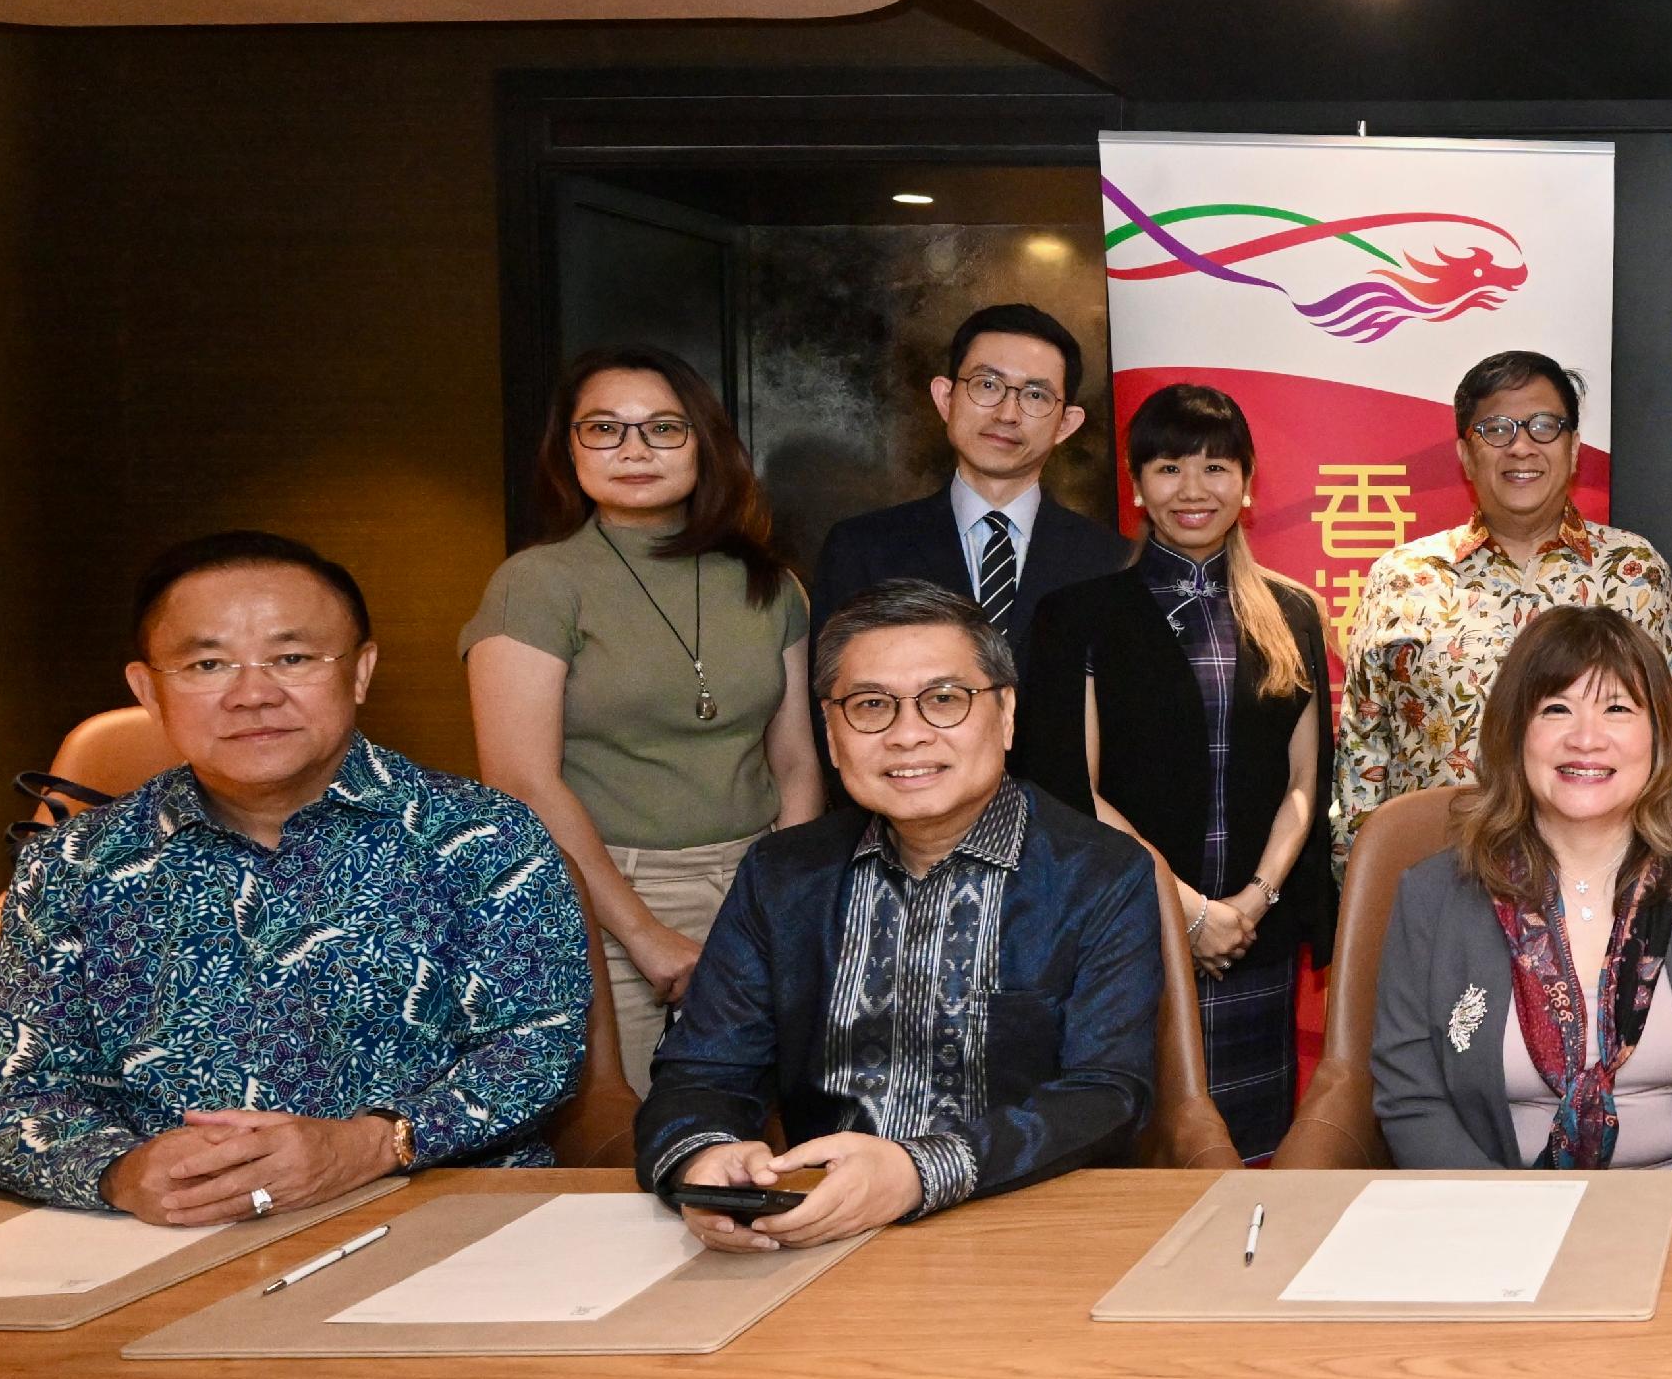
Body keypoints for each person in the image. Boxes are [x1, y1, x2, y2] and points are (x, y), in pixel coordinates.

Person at [0, 532, 590, 1221]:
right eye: (207, 663)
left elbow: (540, 1046)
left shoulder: (483, 836)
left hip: (436, 1212)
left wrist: (376, 1143)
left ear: (360, 671)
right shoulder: (74, 864)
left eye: (291, 657)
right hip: (160, 1236)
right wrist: (119, 1172)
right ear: (147, 689)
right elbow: (9, 1101)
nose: (253, 694)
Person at [638, 580, 1164, 1247]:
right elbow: (701, 1071)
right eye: (870, 706)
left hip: (1030, 1227)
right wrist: (704, 1161)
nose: (908, 734)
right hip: (813, 1233)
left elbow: (1106, 1094)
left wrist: (918, 1171)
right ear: (830, 733)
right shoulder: (782, 876)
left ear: (1005, 715)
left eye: (944, 700)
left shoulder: (1099, 873)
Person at [464, 346, 822, 1097]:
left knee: (768, 1124)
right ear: (569, 448)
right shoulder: (537, 583)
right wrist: (643, 934)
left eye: (663, 427)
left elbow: (794, 760)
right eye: (605, 428)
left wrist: (787, 902)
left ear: (705, 444)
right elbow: (520, 780)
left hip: (756, 882)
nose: (634, 449)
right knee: (635, 1140)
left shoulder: (769, 582)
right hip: (608, 891)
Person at [1014, 383, 1333, 1161]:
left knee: (1254, 1151)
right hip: (1132, 929)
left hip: (1257, 935)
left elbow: (1306, 779)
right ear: (1135, 484)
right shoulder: (1078, 613)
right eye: (1168, 467)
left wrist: (1249, 902)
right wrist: (1187, 910)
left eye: (1216, 467)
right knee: (1142, 1151)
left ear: (1248, 482)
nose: (1193, 490)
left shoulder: (1292, 610)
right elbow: (1071, 787)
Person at [1371, 606, 1672, 1170]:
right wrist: (1505, 1225)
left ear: (1659, 735)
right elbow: (1412, 1100)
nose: (1586, 739)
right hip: (1493, 1218)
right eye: (1556, 709)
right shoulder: (1434, 895)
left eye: (1617, 708)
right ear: (1515, 733)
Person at [1335, 349, 1672, 851]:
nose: (1521, 447)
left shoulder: (1634, 572)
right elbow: (1362, 755)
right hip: (1441, 886)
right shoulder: (1403, 578)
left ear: (1575, 448)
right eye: (1497, 429)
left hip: (1602, 881)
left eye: (1544, 425)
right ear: (1465, 454)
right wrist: (1365, 895)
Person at [809, 303, 1132, 681]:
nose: (1007, 414)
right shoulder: (861, 549)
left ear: (1066, 424)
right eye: (988, 385)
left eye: (1035, 395)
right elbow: (834, 703)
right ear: (946, 399)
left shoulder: (1113, 562)